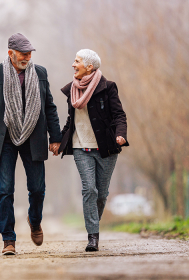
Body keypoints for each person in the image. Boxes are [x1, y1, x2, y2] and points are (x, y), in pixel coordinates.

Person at [0, 33, 62, 255]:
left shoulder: (40, 73)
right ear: (11, 53)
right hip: (5, 140)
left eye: (29, 54)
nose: (27, 58)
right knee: (5, 190)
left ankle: (34, 220)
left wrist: (55, 138)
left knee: (37, 189)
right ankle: (8, 240)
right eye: (23, 54)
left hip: (33, 137)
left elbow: (49, 107)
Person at [56, 49, 129, 252]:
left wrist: (120, 134)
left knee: (102, 194)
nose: (73, 64)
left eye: (77, 61)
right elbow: (72, 121)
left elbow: (119, 115)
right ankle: (93, 237)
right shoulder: (72, 89)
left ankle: (92, 225)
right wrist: (58, 141)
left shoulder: (108, 88)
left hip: (105, 147)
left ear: (89, 66)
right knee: (89, 189)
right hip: (81, 147)